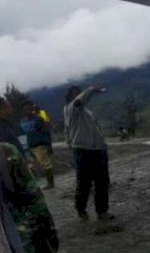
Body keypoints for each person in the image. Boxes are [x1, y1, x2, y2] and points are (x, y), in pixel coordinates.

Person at [63, 86, 113, 222]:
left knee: (102, 182)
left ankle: (102, 211)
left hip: (98, 150)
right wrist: (91, 89)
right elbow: (79, 100)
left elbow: (68, 131)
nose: (78, 95)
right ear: (69, 97)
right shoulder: (70, 109)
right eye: (75, 94)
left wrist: (102, 144)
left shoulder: (87, 112)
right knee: (84, 182)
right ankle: (81, 209)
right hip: (83, 150)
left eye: (79, 93)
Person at [0, 142, 59, 252]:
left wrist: (48, 228)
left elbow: (33, 196)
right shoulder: (5, 151)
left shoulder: (5, 152)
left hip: (21, 237)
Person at [19, 102, 54, 190]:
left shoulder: (39, 119)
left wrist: (49, 145)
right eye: (25, 109)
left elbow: (46, 132)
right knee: (38, 165)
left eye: (29, 109)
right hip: (31, 146)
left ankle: (50, 183)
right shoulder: (22, 121)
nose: (28, 111)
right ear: (22, 110)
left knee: (46, 164)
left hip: (40, 145)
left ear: (33, 109)